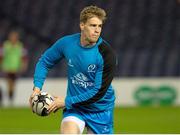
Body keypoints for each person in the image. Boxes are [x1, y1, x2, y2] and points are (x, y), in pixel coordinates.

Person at [29, 5, 116, 134]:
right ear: (82, 25)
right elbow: (44, 61)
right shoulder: (67, 43)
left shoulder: (106, 54)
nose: (97, 30)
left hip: (100, 110)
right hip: (75, 109)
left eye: (100, 26)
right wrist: (36, 89)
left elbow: (98, 93)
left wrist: (65, 101)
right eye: (93, 25)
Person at [1, 30, 28, 103]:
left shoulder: (20, 45)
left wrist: (24, 65)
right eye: (12, 37)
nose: (13, 38)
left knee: (13, 83)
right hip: (8, 67)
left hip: (16, 68)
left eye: (14, 37)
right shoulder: (6, 45)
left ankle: (11, 95)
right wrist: (2, 65)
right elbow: (1, 56)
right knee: (9, 82)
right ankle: (10, 95)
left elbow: (24, 57)